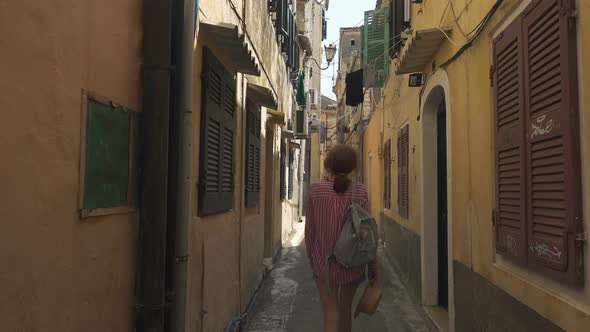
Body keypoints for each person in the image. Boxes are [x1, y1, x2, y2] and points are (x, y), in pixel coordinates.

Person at [305, 144, 377, 332]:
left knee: (330, 312)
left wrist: (311, 259)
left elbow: (310, 230)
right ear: (353, 167)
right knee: (345, 311)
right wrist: (372, 266)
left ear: (328, 165)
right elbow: (367, 234)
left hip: (324, 265)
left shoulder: (315, 189)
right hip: (352, 265)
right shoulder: (360, 192)